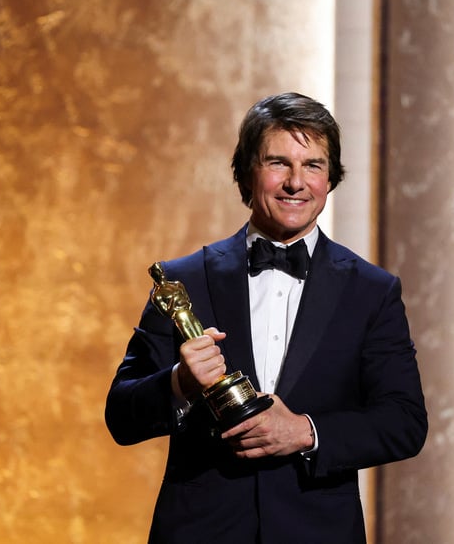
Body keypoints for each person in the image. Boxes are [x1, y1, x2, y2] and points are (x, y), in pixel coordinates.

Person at [105, 92, 426, 543]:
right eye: (278, 163)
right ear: (246, 173)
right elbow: (121, 415)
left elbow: (404, 422)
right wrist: (179, 382)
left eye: (313, 165)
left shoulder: (372, 291)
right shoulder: (182, 282)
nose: (296, 182)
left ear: (331, 177)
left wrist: (305, 432)